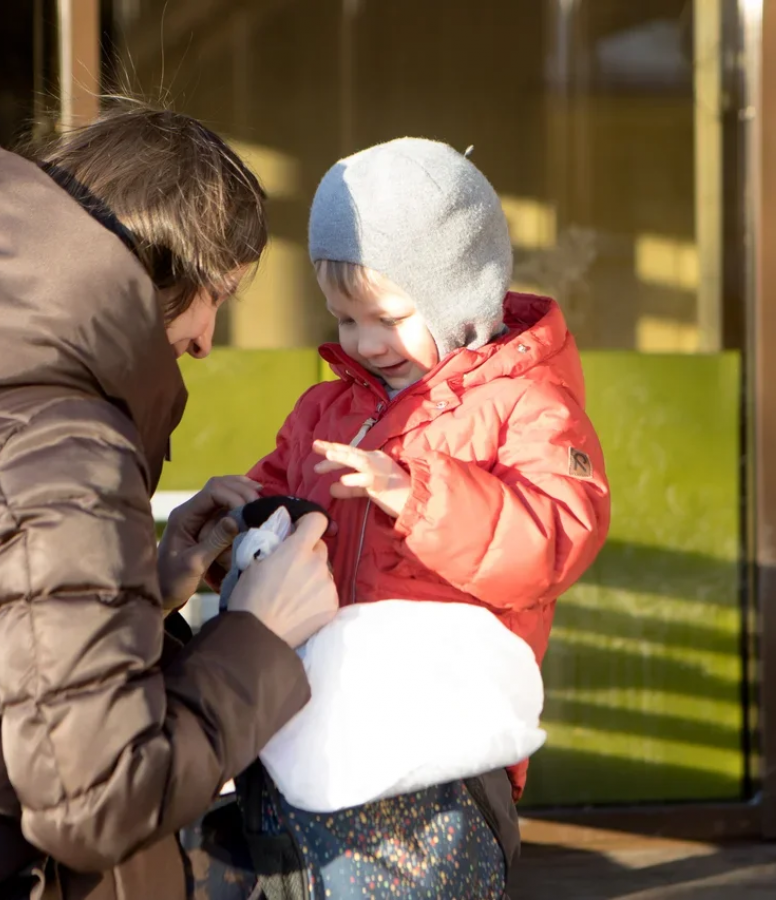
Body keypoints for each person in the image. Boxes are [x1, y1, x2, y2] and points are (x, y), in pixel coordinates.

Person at [0, 101, 338, 900]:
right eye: (218, 292)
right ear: (160, 262)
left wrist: (145, 588)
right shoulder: (65, 442)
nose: (210, 338)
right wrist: (260, 635)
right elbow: (99, 800)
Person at [219, 137, 612, 897]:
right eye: (344, 320)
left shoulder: (526, 405)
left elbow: (556, 535)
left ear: (457, 295)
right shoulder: (328, 409)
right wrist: (234, 528)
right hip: (318, 730)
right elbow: (281, 496)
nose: (364, 344)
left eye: (388, 317)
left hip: (439, 751)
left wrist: (415, 492)